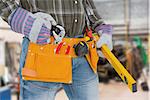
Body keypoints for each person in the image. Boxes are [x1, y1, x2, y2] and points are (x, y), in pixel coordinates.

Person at [0, 0, 113, 100]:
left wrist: (99, 26)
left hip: (82, 54)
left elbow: (86, 4)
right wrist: (25, 21)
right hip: (43, 52)